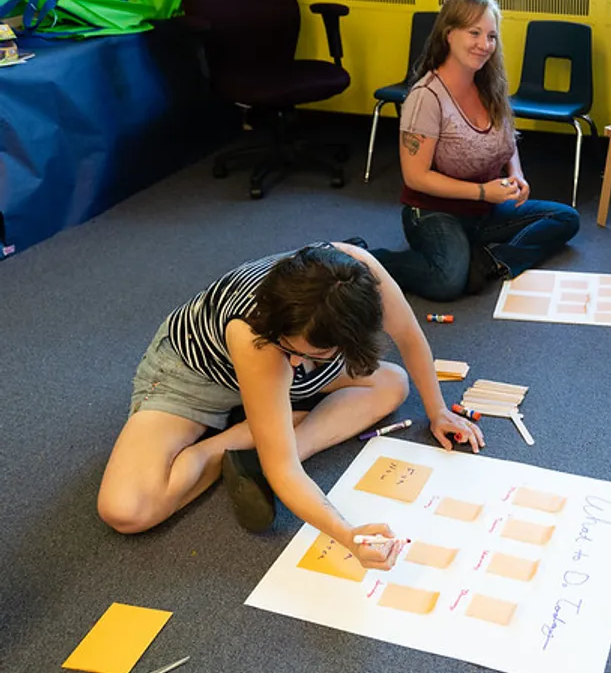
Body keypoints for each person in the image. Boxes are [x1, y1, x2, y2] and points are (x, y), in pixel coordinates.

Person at [97, 241, 484, 571]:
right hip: (199, 376)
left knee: (391, 383)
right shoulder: (260, 333)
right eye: (295, 353)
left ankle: (271, 433)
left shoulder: (360, 274)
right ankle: (232, 443)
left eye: (311, 354)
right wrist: (346, 534)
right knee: (127, 511)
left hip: (278, 361)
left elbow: (411, 339)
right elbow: (283, 470)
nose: (297, 366)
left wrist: (438, 410)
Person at [370, 0, 580, 302]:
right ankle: (366, 260)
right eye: (474, 33)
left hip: (485, 210)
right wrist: (483, 192)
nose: (485, 44)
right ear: (449, 33)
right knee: (446, 282)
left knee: (566, 219)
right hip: (433, 211)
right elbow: (415, 177)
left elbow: (507, 140)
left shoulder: (489, 83)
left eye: (491, 36)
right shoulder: (426, 96)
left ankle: (491, 260)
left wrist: (516, 174)